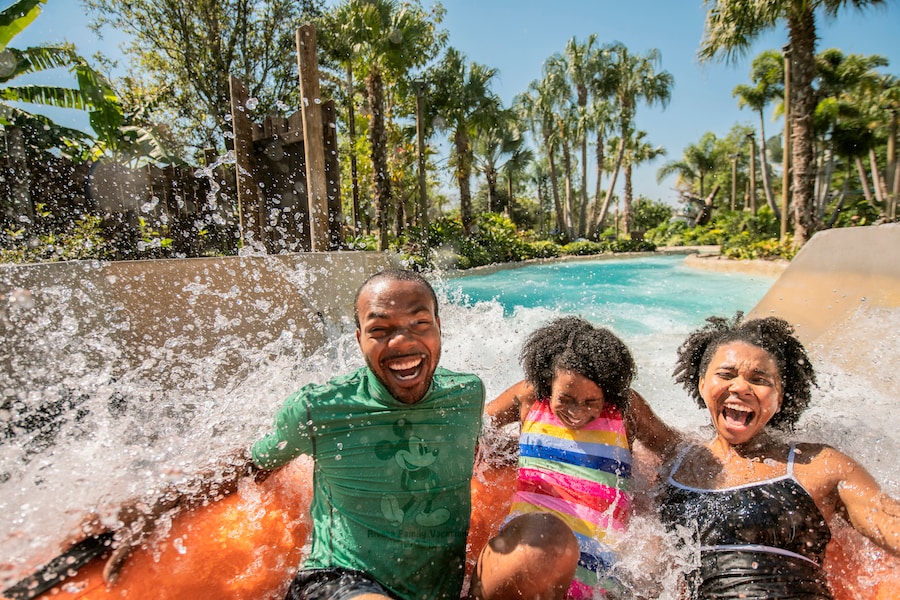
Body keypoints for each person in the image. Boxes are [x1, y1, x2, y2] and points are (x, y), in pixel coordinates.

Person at [64, 269, 486, 600]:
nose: (401, 341)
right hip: (336, 582)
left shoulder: (467, 394)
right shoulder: (319, 408)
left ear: (439, 328)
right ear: (358, 339)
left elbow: (494, 437)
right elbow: (251, 464)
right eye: (379, 330)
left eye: (419, 323)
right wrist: (159, 506)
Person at [656, 313, 900, 599]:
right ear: (701, 384)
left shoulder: (818, 465)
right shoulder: (676, 460)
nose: (740, 387)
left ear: (780, 397)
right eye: (725, 375)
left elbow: (886, 521)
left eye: (759, 379)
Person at [469, 316, 673, 600]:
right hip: (522, 557)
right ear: (546, 384)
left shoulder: (625, 410)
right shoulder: (530, 398)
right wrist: (518, 450)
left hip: (596, 574)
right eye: (565, 399)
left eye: (591, 402)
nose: (577, 411)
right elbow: (474, 431)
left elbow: (673, 447)